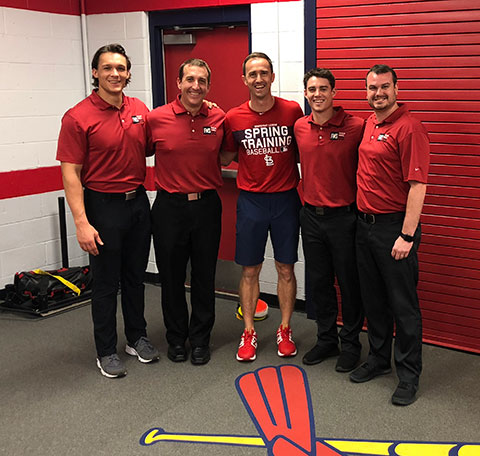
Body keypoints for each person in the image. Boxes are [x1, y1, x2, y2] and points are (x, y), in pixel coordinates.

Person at [56, 44, 159, 378]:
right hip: (101, 206)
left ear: (129, 73)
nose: (115, 74)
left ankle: (136, 337)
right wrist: (82, 222)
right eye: (108, 68)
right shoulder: (77, 116)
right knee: (104, 283)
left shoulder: (140, 109)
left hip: (138, 203)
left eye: (121, 68)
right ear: (95, 73)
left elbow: (158, 139)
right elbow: (70, 172)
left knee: (135, 278)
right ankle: (105, 350)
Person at [350, 64, 430, 406]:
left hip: (394, 230)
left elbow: (418, 186)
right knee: (374, 301)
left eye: (384, 87)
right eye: (372, 88)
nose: (378, 93)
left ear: (397, 88)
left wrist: (407, 236)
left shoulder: (409, 128)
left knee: (403, 306)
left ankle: (408, 375)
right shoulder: (369, 122)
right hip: (364, 226)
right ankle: (379, 360)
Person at [222, 52, 304, 362]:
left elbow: (303, 150)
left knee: (286, 268)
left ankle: (285, 329)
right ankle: (249, 332)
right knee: (250, 269)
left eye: (264, 73)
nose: (259, 79)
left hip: (285, 200)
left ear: (272, 76)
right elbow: (223, 157)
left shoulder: (292, 111)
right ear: (244, 79)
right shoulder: (233, 118)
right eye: (252, 74)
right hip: (251, 202)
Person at [146, 58, 225, 365]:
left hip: (206, 206)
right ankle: (177, 339)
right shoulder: (156, 118)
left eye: (202, 81)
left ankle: (201, 339)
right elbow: (137, 151)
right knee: (171, 277)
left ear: (208, 85)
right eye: (190, 79)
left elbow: (229, 151)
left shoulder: (219, 117)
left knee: (205, 277)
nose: (196, 86)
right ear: (178, 83)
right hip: (169, 208)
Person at [294, 68, 364, 372]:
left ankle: (350, 344)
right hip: (310, 217)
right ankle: (326, 340)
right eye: (312, 89)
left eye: (323, 89)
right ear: (306, 94)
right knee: (319, 283)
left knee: (349, 284)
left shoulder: (357, 126)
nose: (318, 94)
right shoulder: (299, 126)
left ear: (334, 93)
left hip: (344, 219)